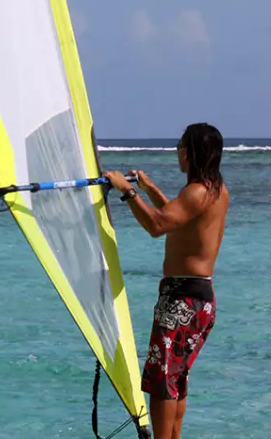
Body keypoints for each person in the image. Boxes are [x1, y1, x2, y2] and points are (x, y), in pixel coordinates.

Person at [102, 123, 229, 439]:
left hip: (182, 298)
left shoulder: (196, 191)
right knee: (176, 380)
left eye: (180, 145)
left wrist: (126, 190)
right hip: (201, 298)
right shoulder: (215, 190)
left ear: (192, 152)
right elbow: (176, 216)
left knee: (162, 382)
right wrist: (149, 189)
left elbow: (158, 225)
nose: (177, 151)